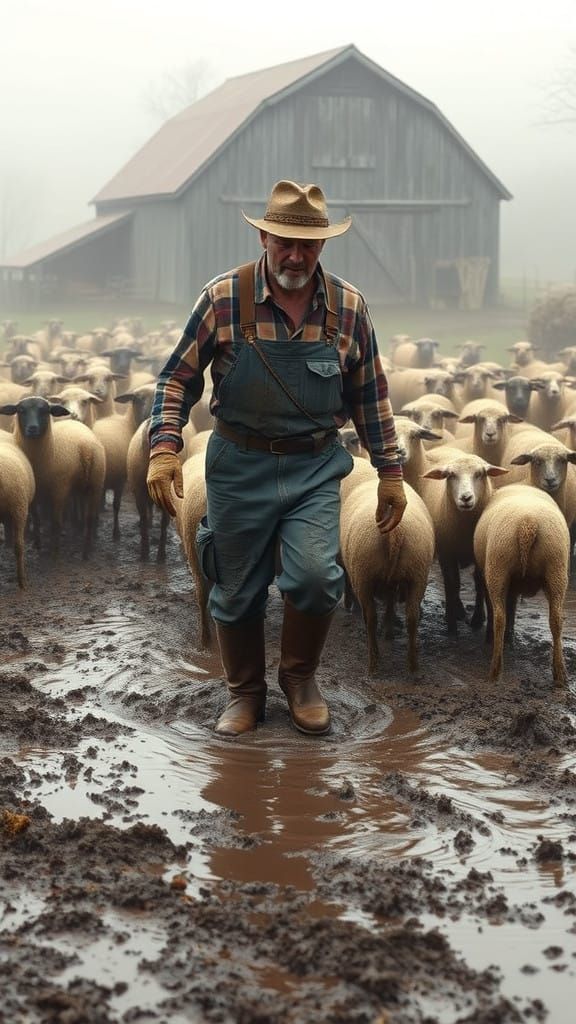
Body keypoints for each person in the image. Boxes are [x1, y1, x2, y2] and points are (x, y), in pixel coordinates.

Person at [146, 180, 406, 738]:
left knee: (315, 576)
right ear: (264, 236)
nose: (295, 256)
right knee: (235, 583)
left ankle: (299, 679)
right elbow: (176, 380)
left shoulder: (349, 307)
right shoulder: (223, 298)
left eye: (307, 246)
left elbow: (370, 395)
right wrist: (165, 449)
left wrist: (391, 472)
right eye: (284, 242)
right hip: (239, 463)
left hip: (314, 466)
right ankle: (244, 693)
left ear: (322, 246)